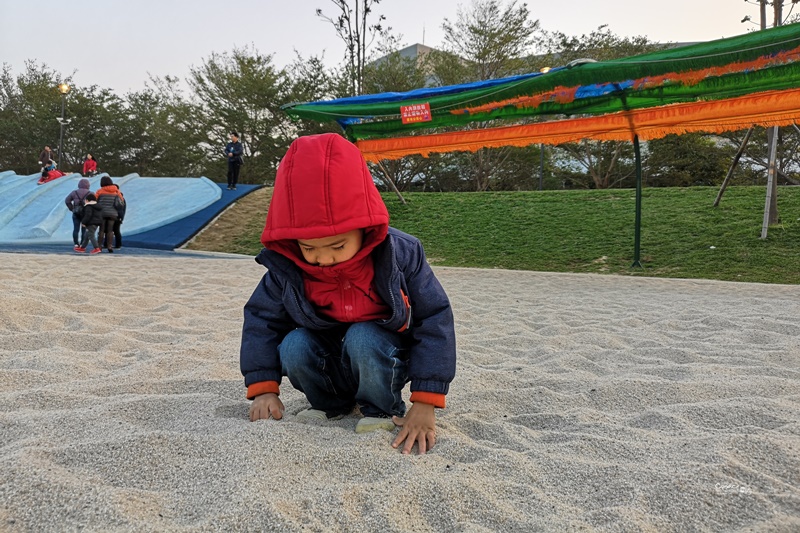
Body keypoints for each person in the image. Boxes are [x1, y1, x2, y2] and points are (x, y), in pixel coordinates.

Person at [240, 133, 456, 455]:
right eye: (309, 247)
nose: (323, 258)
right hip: (328, 356)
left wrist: (426, 400)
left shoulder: (400, 254)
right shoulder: (288, 268)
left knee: (363, 336)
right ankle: (331, 404)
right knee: (294, 344)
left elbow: (434, 317)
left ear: (365, 229)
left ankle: (380, 407)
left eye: (338, 246)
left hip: (385, 354)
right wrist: (263, 389)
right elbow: (261, 319)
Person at [95, 176, 124, 254]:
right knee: (110, 230)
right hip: (113, 213)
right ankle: (109, 246)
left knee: (101, 230)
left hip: (102, 213)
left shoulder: (100, 191)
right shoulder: (116, 191)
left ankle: (99, 246)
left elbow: (95, 201)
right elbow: (121, 202)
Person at [64, 178, 92, 249]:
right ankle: (82, 243)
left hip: (76, 212)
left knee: (76, 229)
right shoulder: (90, 193)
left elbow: (67, 201)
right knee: (84, 229)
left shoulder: (74, 192)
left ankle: (76, 243)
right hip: (85, 213)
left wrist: (72, 208)